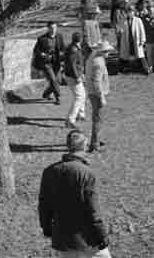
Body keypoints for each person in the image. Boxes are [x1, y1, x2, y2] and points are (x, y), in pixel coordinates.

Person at [39, 130, 111, 258]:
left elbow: (44, 205)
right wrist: (102, 236)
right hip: (88, 240)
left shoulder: (49, 171)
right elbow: (92, 210)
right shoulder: (86, 173)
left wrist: (47, 229)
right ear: (84, 146)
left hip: (63, 240)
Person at [85, 41, 113, 152]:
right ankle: (94, 143)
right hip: (96, 93)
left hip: (92, 91)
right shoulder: (99, 63)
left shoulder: (93, 57)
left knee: (97, 118)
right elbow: (97, 82)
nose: (109, 53)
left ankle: (96, 139)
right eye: (107, 51)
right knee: (98, 119)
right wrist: (101, 96)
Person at [32, 21, 65, 105]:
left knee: (58, 80)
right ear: (48, 28)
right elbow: (36, 50)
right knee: (53, 80)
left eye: (55, 28)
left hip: (56, 62)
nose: (53, 30)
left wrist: (62, 56)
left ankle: (46, 93)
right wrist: (42, 54)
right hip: (46, 63)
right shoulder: (41, 38)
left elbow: (63, 48)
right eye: (51, 28)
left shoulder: (59, 37)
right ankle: (58, 98)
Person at [117, 6, 149, 74]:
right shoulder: (124, 21)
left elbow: (142, 31)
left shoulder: (138, 20)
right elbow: (121, 30)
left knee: (141, 56)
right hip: (127, 41)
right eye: (128, 12)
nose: (130, 13)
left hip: (136, 40)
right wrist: (120, 31)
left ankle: (146, 70)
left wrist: (142, 40)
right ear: (127, 13)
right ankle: (121, 69)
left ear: (134, 12)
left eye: (131, 12)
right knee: (124, 56)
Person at [64, 32, 86, 128]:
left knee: (82, 95)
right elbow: (72, 65)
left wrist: (81, 74)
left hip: (74, 75)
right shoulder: (73, 49)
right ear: (80, 39)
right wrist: (77, 76)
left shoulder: (74, 47)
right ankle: (70, 119)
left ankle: (80, 114)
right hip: (73, 76)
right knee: (79, 97)